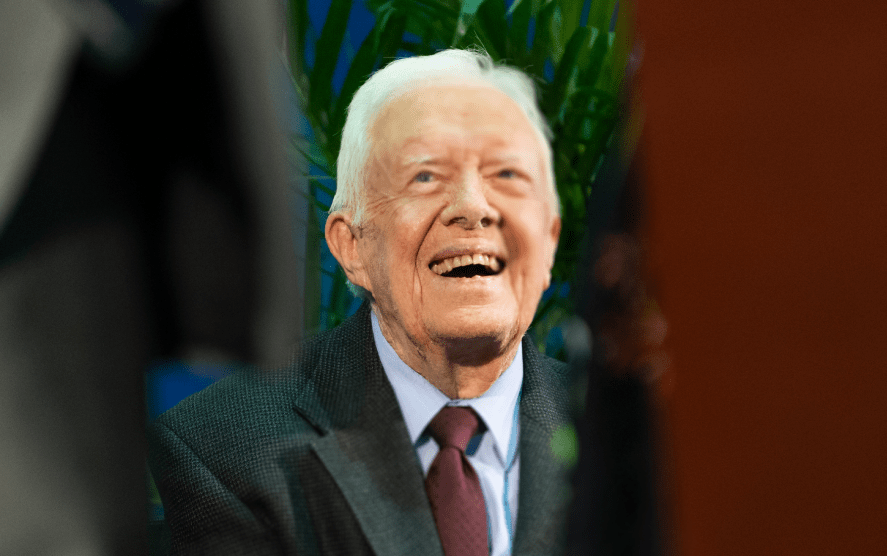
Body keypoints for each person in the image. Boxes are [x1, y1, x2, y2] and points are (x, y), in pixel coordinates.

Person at [148, 49, 571, 555]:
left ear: (549, 240)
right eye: (426, 176)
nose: (473, 208)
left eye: (506, 174)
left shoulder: (636, 436)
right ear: (352, 247)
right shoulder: (223, 450)